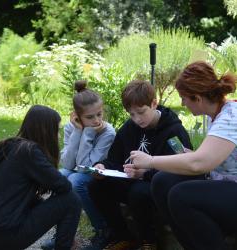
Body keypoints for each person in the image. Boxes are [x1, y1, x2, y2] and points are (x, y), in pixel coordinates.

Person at [125, 61, 237, 250]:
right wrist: (193, 155)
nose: (183, 103)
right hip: (224, 181)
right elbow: (207, 158)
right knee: (162, 182)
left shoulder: (230, 118)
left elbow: (199, 164)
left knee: (181, 196)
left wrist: (150, 161)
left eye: (184, 98)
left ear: (198, 98)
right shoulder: (217, 115)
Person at [88, 79, 193, 250]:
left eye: (141, 112)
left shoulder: (173, 131)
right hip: (131, 181)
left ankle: (149, 242)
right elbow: (114, 159)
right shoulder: (129, 128)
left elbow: (181, 170)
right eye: (131, 114)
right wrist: (102, 167)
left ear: (154, 104)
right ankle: (123, 237)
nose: (137, 119)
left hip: (159, 188)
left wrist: (145, 173)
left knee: (138, 191)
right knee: (96, 186)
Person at [0, 105, 81, 250]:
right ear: (46, 131)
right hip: (5, 235)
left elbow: (20, 196)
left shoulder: (13, 147)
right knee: (71, 200)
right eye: (56, 130)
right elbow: (63, 185)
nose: (58, 136)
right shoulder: (29, 152)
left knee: (45, 201)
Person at [41, 80, 116, 250]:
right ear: (76, 116)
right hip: (80, 170)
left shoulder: (107, 132)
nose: (97, 120)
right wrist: (78, 131)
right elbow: (67, 162)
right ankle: (64, 234)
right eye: (90, 117)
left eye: (99, 114)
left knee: (74, 180)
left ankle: (103, 230)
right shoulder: (71, 128)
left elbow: (84, 166)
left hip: (99, 173)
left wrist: (88, 132)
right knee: (59, 176)